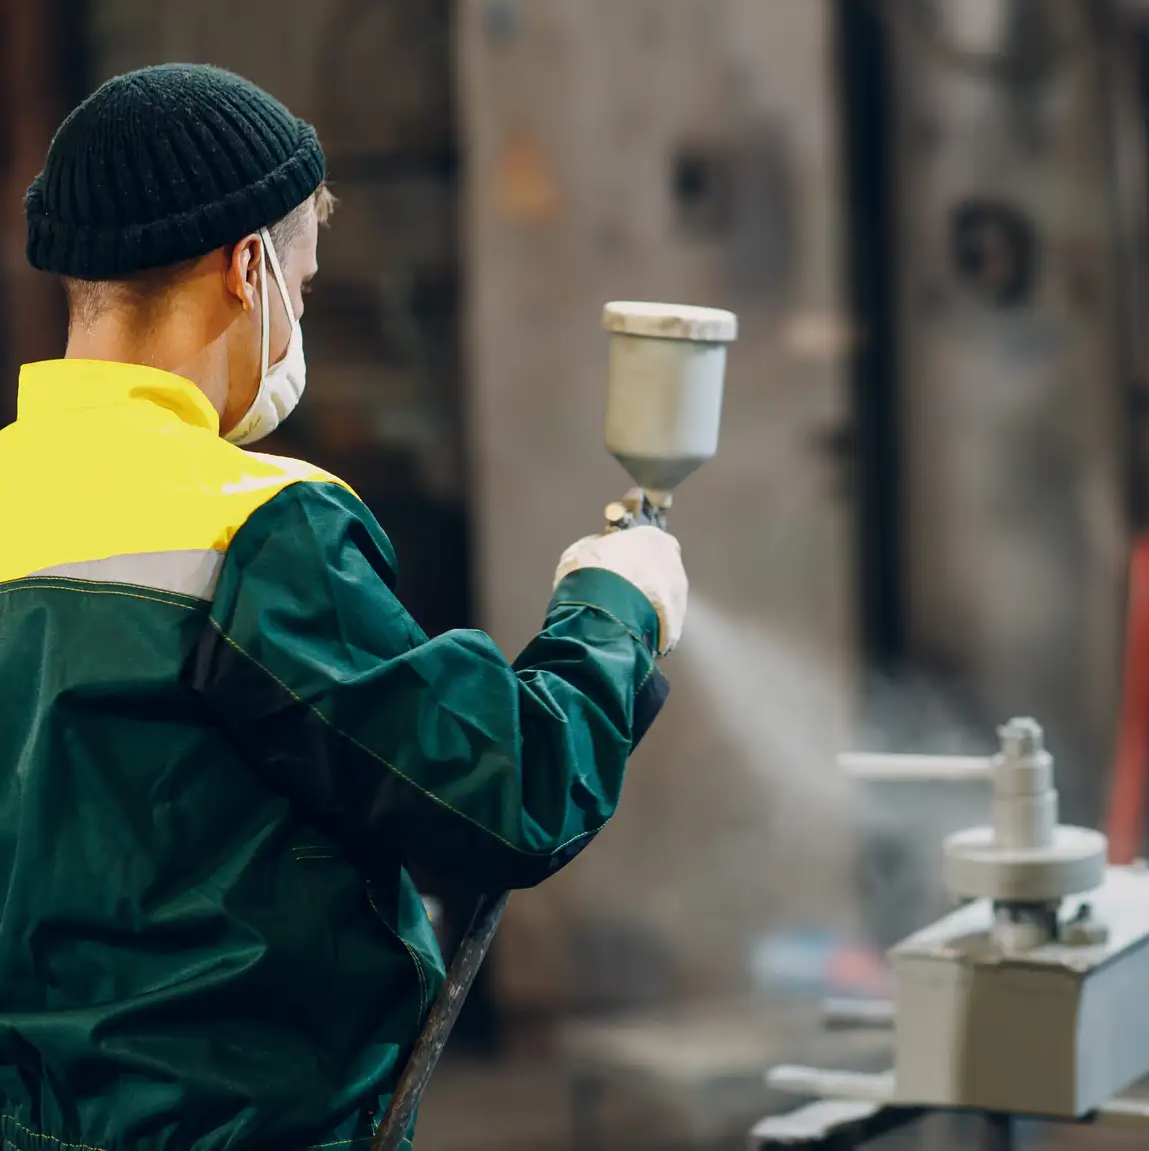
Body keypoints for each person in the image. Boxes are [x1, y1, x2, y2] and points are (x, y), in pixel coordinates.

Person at [0, 64, 688, 1149]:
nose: (297, 322)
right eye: (304, 288)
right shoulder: (256, 529)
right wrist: (612, 607)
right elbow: (507, 789)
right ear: (247, 268)